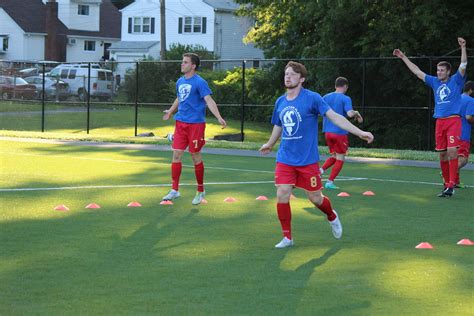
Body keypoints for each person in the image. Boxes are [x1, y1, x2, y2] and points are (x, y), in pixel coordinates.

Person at [259, 61, 374, 248]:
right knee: (282, 193)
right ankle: (287, 237)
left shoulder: (312, 98)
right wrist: (270, 144)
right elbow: (278, 125)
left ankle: (332, 216)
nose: (288, 77)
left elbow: (335, 117)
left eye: (293, 74)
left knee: (315, 198)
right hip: (285, 158)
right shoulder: (280, 102)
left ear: (302, 79)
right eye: (286, 74)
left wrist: (359, 132)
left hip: (307, 160)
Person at [393, 37, 467, 197]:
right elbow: (417, 71)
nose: (438, 72)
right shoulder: (434, 82)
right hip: (440, 122)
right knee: (442, 154)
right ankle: (447, 184)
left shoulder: (456, 81)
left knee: (453, 151)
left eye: (441, 70)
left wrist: (463, 48)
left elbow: (463, 65)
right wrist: (403, 57)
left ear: (448, 71)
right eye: (438, 70)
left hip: (453, 121)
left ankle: (452, 184)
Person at [162, 53, 227, 205]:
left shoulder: (200, 82)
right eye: (182, 62)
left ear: (193, 65)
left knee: (195, 156)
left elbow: (209, 100)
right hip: (180, 123)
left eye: (185, 62)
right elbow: (179, 98)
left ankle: (200, 190)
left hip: (196, 125)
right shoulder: (180, 81)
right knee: (176, 155)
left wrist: (218, 117)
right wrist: (171, 111)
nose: (182, 64)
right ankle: (174, 190)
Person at [320, 77, 363, 189]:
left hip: (327, 132)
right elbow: (349, 114)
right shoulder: (345, 98)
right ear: (345, 87)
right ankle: (330, 182)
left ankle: (320, 171)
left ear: (335, 86)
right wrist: (356, 113)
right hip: (339, 132)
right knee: (340, 157)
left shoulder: (326, 97)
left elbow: (321, 112)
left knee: (334, 156)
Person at [456, 81, 474, 187]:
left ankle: (455, 181)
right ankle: (450, 172)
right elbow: (468, 117)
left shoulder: (457, 98)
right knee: (464, 159)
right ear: (471, 90)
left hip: (453, 132)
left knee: (456, 157)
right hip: (463, 133)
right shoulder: (471, 100)